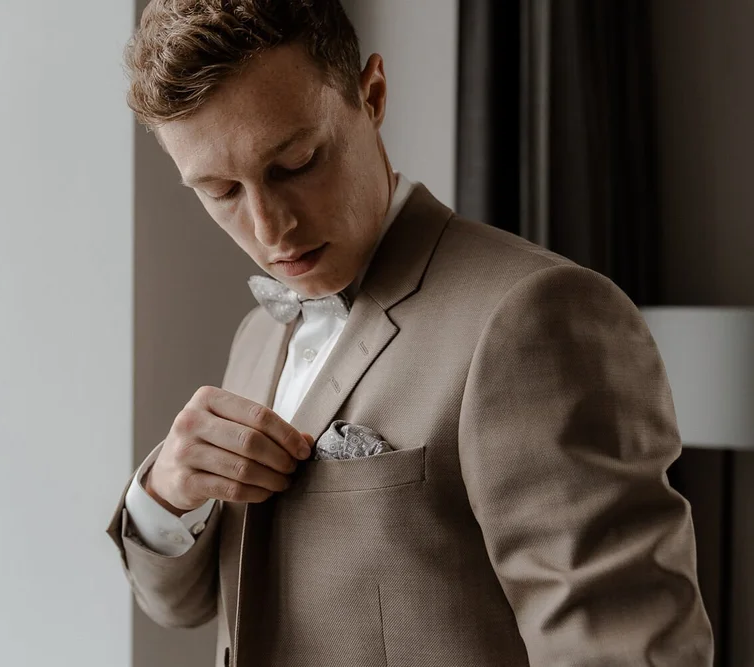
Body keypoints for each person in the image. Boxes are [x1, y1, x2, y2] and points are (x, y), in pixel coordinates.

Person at [106, 2, 714, 665]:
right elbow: (187, 604)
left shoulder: (534, 315)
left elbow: (625, 650)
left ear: (372, 95)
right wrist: (166, 492)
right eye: (221, 191)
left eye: (297, 162)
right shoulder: (256, 338)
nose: (270, 227)